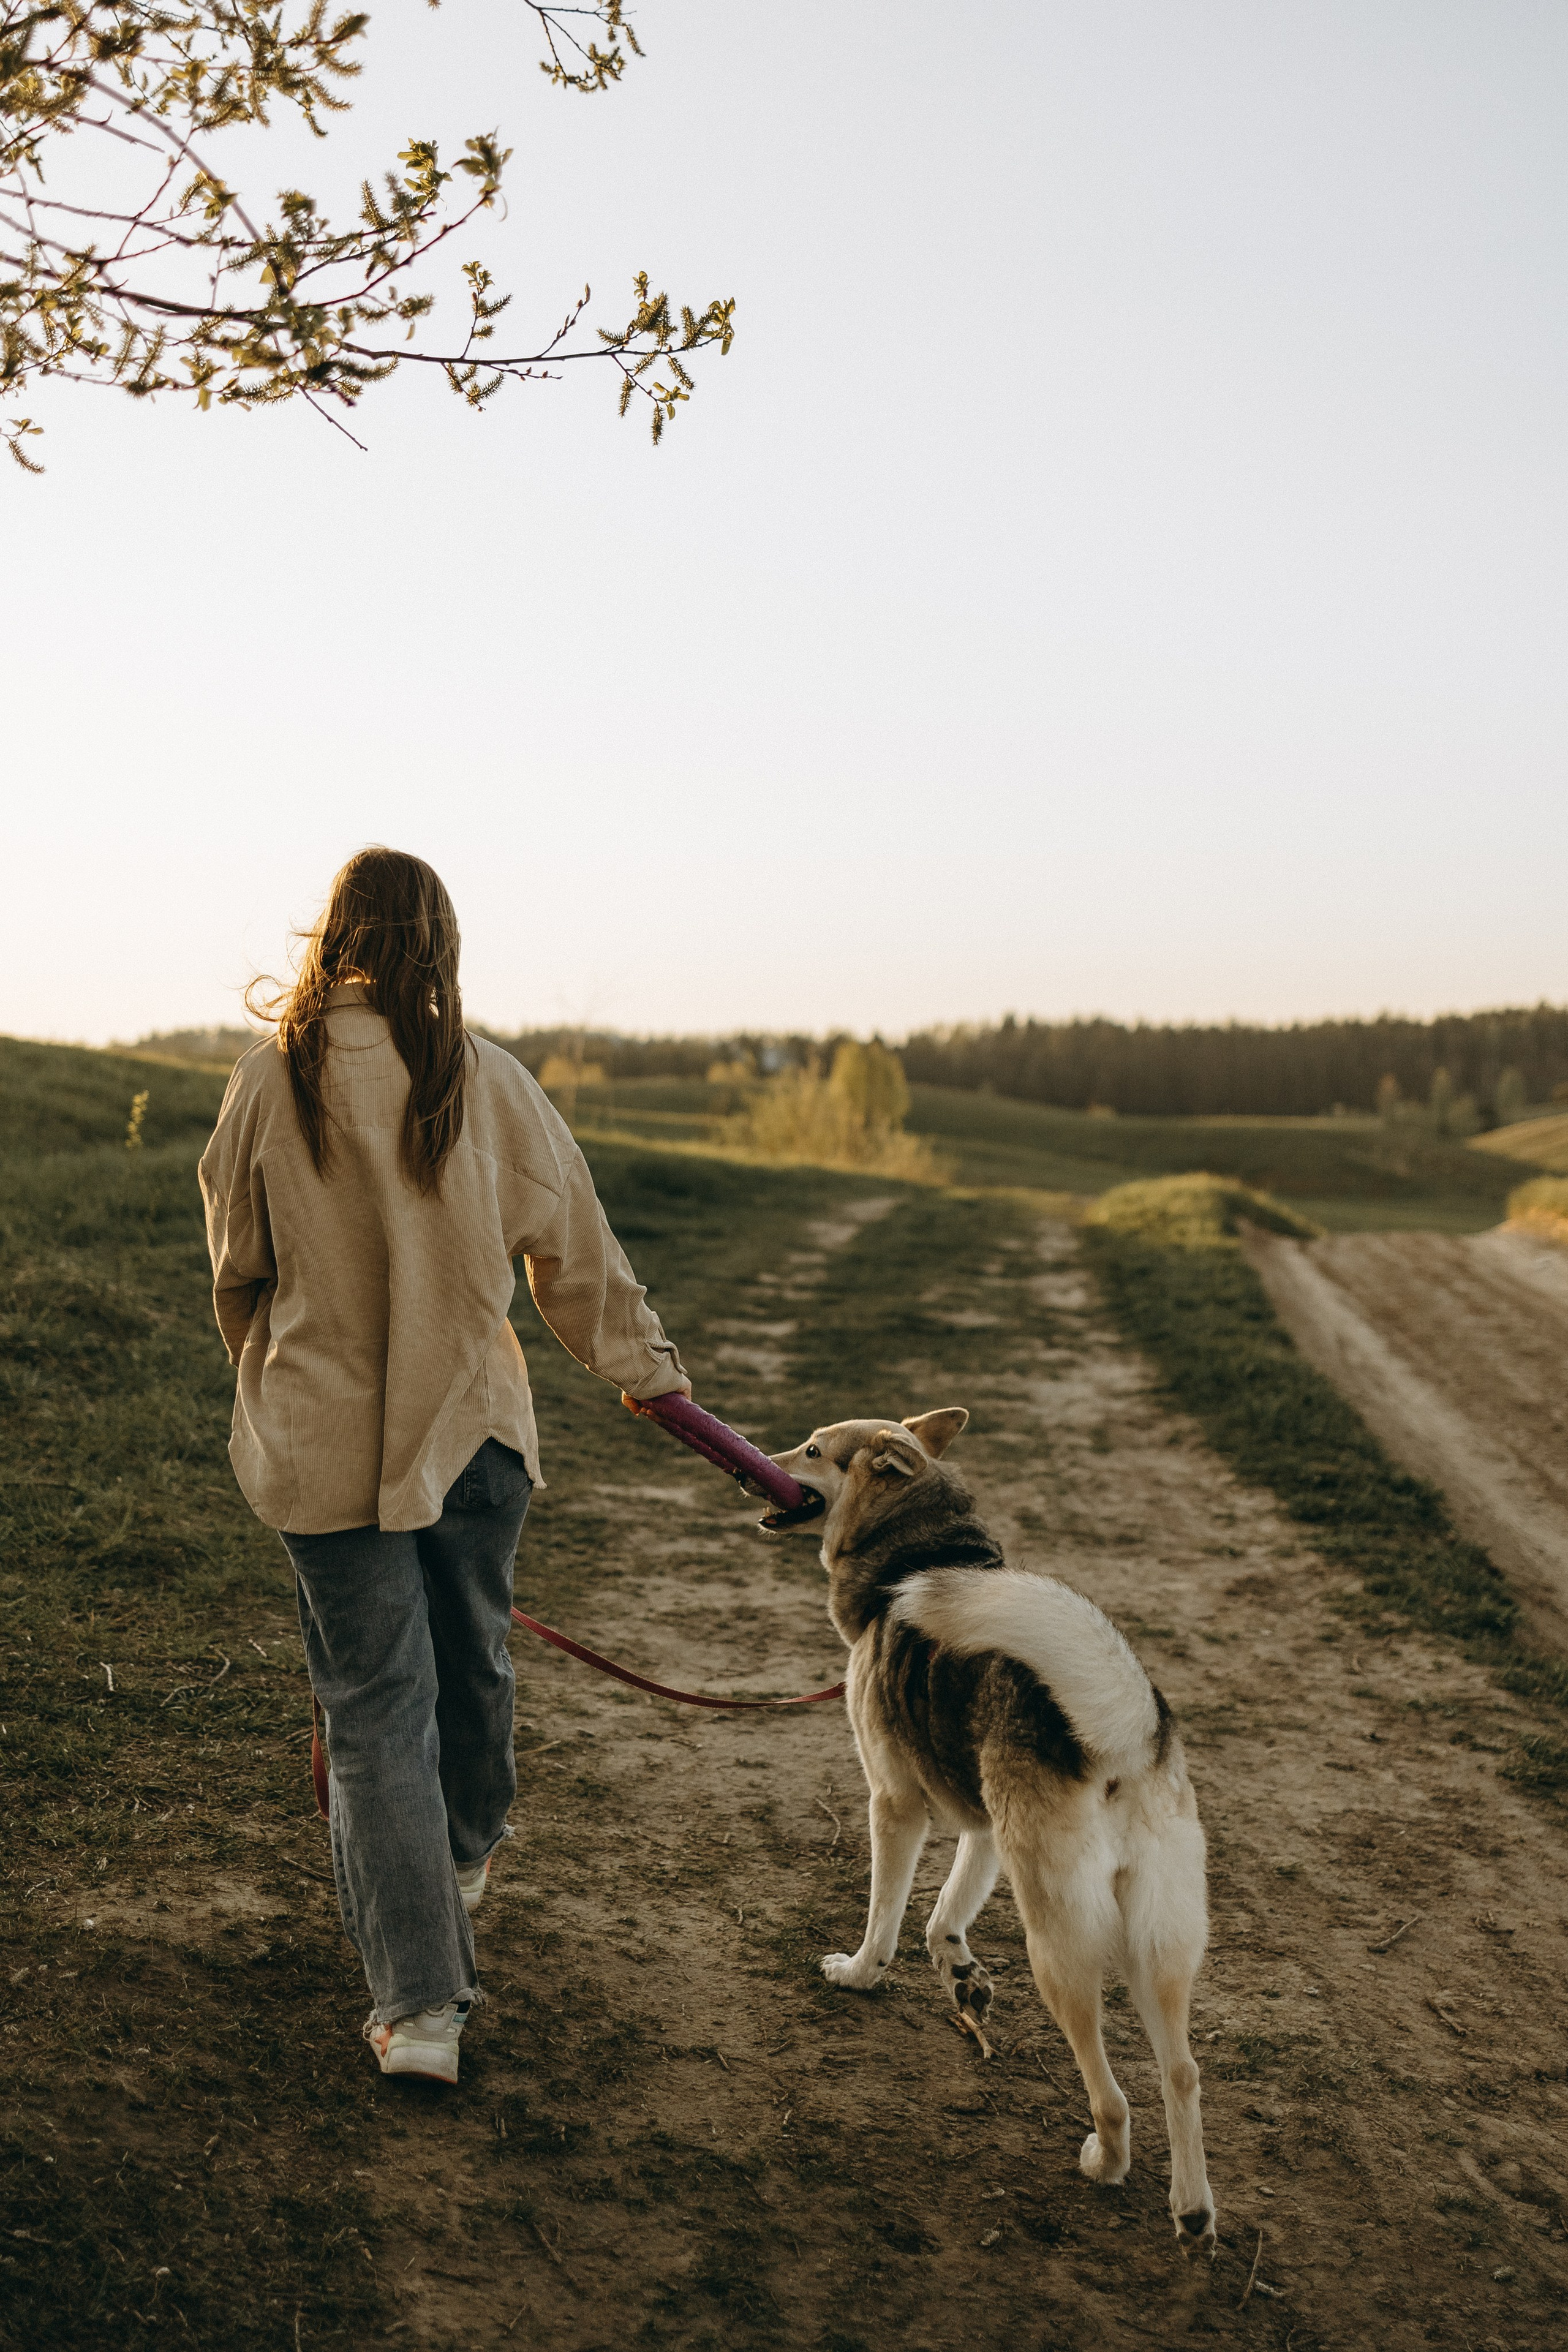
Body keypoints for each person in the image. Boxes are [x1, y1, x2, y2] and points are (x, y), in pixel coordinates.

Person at [198, 848, 688, 2083]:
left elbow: (236, 1268)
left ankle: (420, 2011)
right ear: (439, 945)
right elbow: (575, 1252)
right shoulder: (491, 1081)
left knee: (375, 1716)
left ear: (335, 940)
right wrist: (648, 1373)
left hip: (321, 1448)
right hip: (472, 1438)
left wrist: (270, 1364)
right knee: (469, 1666)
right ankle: (459, 1858)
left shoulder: (273, 1086)